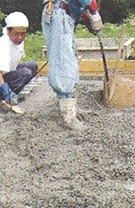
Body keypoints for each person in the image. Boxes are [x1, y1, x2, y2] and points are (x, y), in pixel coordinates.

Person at [42, 0, 103, 129]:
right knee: (63, 65)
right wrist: (92, 8)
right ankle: (69, 118)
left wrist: (84, 13)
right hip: (60, 16)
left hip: (65, 17)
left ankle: (73, 109)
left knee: (70, 62)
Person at [0, 12, 38, 106]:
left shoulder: (18, 41)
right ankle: (4, 97)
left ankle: (14, 94)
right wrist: (5, 90)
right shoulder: (3, 44)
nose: (20, 37)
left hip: (5, 74)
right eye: (16, 34)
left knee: (33, 66)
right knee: (25, 73)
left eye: (23, 34)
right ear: (9, 31)